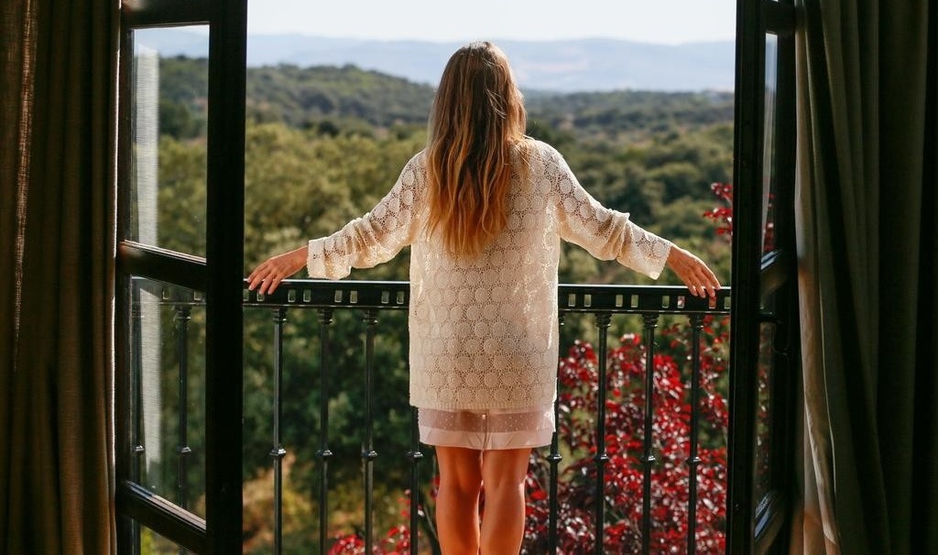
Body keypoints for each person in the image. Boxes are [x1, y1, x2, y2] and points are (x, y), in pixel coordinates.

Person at [247, 41, 721, 554]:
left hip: (448, 352)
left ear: (446, 101)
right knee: (506, 486)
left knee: (455, 485)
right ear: (508, 95)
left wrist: (298, 257)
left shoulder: (428, 169)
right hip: (517, 353)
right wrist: (672, 255)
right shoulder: (541, 164)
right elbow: (605, 230)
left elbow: (369, 237)